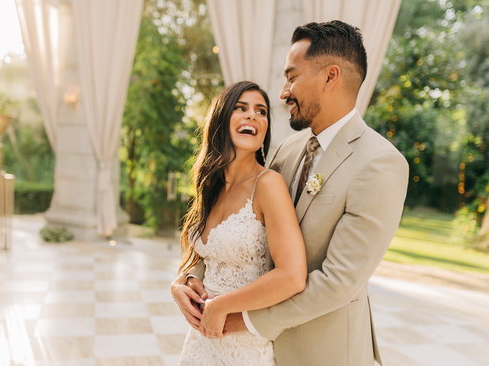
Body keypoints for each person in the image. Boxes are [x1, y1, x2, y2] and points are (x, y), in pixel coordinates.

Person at [171, 20, 409, 366]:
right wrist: (188, 280)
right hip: (256, 350)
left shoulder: (381, 163)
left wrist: (242, 319)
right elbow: (242, 232)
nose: (283, 92)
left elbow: (338, 281)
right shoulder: (288, 149)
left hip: (322, 351)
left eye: (292, 77)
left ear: (330, 76)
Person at [175, 81, 308, 365]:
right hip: (200, 342)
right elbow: (204, 257)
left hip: (245, 344)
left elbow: (292, 276)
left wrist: (222, 305)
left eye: (261, 111)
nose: (252, 116)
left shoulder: (268, 184)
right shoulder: (211, 186)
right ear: (222, 119)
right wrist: (181, 283)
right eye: (241, 108)